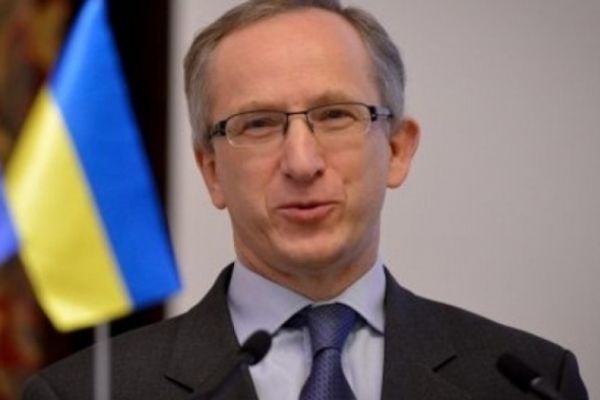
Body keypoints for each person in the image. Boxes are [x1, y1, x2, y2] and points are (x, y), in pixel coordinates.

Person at [23, 1, 588, 399]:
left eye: (336, 115)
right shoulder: (85, 392)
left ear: (397, 149)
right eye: (258, 123)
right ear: (212, 170)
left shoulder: (529, 381)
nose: (301, 162)